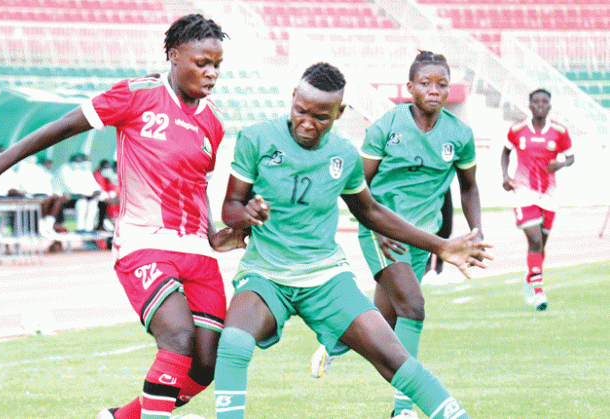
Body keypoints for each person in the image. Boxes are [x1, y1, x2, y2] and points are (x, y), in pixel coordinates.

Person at [0, 14, 244, 419]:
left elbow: (197, 184)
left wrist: (215, 233)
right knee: (177, 337)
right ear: (174, 56)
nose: (211, 74)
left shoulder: (213, 122)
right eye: (201, 63)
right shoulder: (136, 95)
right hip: (145, 243)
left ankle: (118, 418)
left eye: (217, 66)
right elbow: (63, 126)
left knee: (206, 364)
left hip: (196, 249)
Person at [213, 62, 491, 419]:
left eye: (321, 116)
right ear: (292, 99)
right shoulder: (256, 139)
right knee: (234, 342)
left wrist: (439, 245)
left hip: (327, 278)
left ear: (339, 113)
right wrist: (245, 214)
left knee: (393, 357)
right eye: (301, 111)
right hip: (266, 275)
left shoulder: (343, 156)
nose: (308, 123)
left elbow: (371, 212)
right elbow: (231, 206)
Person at [309, 52, 484, 419]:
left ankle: (335, 340)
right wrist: (375, 227)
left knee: (384, 323)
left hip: (424, 240)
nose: (433, 90)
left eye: (441, 84)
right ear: (410, 87)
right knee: (413, 308)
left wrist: (474, 228)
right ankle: (404, 408)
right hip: (383, 233)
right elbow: (359, 186)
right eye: (425, 83)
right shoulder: (385, 127)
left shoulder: (459, 134)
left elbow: (468, 187)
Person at [500, 88, 574, 311]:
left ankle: (531, 277)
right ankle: (539, 291)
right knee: (534, 240)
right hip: (523, 192)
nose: (540, 105)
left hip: (549, 194)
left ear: (550, 106)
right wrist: (505, 175)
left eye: (544, 102)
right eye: (536, 102)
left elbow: (571, 157)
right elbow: (505, 153)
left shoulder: (559, 131)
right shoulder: (517, 130)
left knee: (541, 244)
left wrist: (560, 164)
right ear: (529, 105)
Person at [52, 153, 102, 234]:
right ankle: (80, 228)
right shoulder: (65, 168)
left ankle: (89, 228)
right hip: (68, 198)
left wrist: (97, 191)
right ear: (71, 161)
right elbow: (68, 187)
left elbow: (94, 184)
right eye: (77, 161)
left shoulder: (83, 170)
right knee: (82, 203)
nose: (78, 164)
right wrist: (84, 194)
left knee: (93, 203)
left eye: (80, 161)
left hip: (83, 197)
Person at [92, 159, 119, 232]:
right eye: (106, 168)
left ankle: (109, 225)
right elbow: (99, 190)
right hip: (97, 200)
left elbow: (111, 189)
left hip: (108, 201)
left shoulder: (110, 176)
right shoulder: (97, 174)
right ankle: (102, 226)